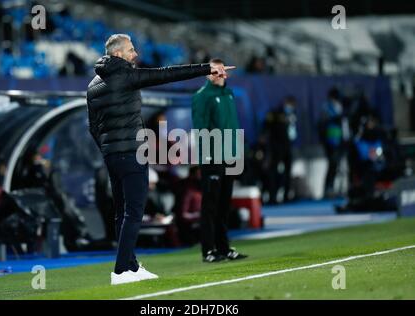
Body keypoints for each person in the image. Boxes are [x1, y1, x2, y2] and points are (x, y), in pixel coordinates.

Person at [86, 34, 234, 285]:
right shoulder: (125, 75)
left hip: (112, 155)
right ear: (119, 54)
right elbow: (167, 73)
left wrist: (108, 148)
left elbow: (93, 127)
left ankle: (130, 265)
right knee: (134, 212)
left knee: (122, 212)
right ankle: (121, 270)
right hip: (132, 152)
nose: (135, 54)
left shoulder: (93, 84)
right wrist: (206, 68)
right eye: (131, 50)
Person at [191, 58, 247, 263]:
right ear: (207, 73)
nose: (216, 74)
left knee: (225, 204)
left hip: (230, 155)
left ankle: (223, 247)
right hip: (212, 157)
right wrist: (206, 158)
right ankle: (208, 250)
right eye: (212, 71)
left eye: (219, 70)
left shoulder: (229, 94)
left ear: (225, 72)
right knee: (210, 205)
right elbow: (200, 128)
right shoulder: (202, 96)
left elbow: (233, 125)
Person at [264, 96, 298, 204]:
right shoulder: (275, 113)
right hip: (276, 146)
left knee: (288, 171)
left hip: (288, 146)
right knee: (274, 171)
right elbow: (266, 127)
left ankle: (286, 195)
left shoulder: (292, 115)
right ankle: (272, 196)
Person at [318, 87, 351, 198]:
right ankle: (328, 188)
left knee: (339, 165)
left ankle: (341, 187)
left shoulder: (340, 106)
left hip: (342, 139)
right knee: (332, 164)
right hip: (331, 141)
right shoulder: (327, 107)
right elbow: (326, 121)